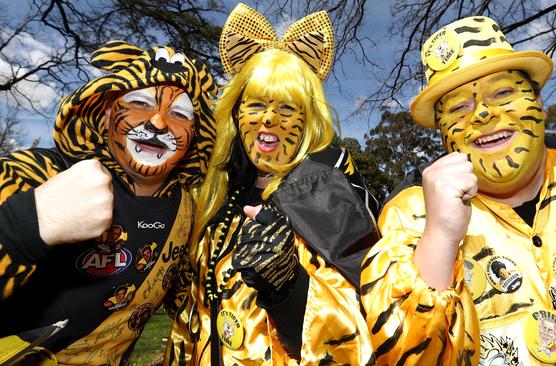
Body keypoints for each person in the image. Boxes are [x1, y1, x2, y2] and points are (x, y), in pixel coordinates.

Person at [361, 15, 556, 365]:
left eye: (502, 92)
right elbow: (406, 352)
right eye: (459, 108)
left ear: (539, 104)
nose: (482, 113)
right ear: (442, 133)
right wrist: (439, 238)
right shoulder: (409, 216)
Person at [163, 3, 379, 365]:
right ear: (235, 111)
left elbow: (362, 332)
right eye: (257, 105)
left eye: (287, 108)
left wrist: (287, 287)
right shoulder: (214, 195)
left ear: (308, 118)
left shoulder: (329, 195)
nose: (268, 119)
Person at [0, 40, 219, 364]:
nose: (159, 123)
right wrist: (26, 223)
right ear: (106, 113)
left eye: (178, 113)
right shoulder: (37, 174)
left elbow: (188, 304)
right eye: (140, 102)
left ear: (194, 136)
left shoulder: (186, 211)